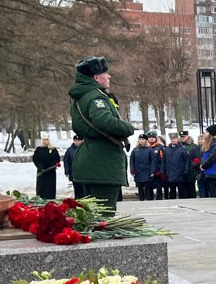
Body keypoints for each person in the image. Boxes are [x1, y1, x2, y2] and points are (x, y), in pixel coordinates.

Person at [68, 55, 134, 213]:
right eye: (106, 73)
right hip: (102, 162)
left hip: (91, 159)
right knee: (103, 214)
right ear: (96, 77)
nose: (109, 76)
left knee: (92, 214)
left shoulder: (82, 96)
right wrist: (127, 128)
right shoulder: (96, 97)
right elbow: (104, 121)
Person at [129, 134, 160, 201]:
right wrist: (132, 170)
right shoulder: (135, 150)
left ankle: (148, 200)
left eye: (143, 139)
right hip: (138, 172)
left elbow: (153, 161)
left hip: (147, 172)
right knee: (140, 188)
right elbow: (132, 161)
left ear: (146, 141)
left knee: (148, 188)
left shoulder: (150, 150)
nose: (141, 141)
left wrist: (152, 171)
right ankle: (141, 199)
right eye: (140, 139)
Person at [32, 135, 61, 200]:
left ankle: (51, 199)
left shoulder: (53, 149)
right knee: (41, 188)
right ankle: (41, 199)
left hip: (51, 172)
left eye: (47, 139)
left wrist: (52, 166)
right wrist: (41, 167)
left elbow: (57, 159)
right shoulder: (38, 149)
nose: (45, 141)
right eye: (44, 140)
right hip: (42, 172)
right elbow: (35, 159)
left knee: (50, 188)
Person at [198, 125, 216, 198]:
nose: (204, 133)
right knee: (210, 191)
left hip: (213, 171)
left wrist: (204, 165)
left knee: (214, 191)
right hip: (208, 171)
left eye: (206, 132)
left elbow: (213, 157)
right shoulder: (210, 144)